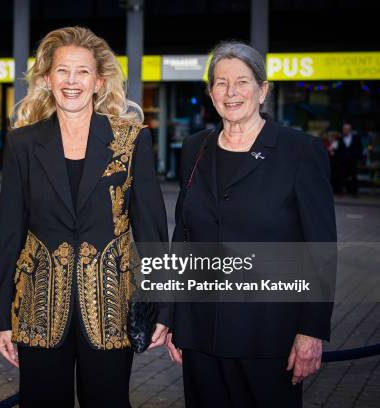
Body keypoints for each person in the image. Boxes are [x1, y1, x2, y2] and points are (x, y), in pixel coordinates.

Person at [0, 26, 170, 407]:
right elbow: (8, 233)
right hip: (39, 304)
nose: (72, 81)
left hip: (111, 305)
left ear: (98, 81)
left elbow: (153, 232)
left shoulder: (131, 139)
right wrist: (2, 318)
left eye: (83, 71)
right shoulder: (23, 142)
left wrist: (163, 307)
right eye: (62, 71)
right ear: (46, 78)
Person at [167, 41, 336, 408]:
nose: (231, 92)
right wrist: (171, 315)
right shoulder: (195, 148)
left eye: (242, 82)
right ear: (210, 93)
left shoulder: (299, 151)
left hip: (268, 334)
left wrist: (311, 330)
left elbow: (320, 248)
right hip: (200, 331)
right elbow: (182, 234)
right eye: (221, 83)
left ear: (262, 90)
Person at [335, 122, 363, 196]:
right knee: (341, 175)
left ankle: (355, 192)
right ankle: (340, 192)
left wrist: (357, 156)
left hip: (352, 160)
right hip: (342, 160)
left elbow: (360, 148)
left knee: (354, 176)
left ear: (350, 130)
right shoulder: (340, 138)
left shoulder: (355, 137)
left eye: (347, 129)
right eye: (344, 129)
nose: (345, 130)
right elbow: (336, 148)